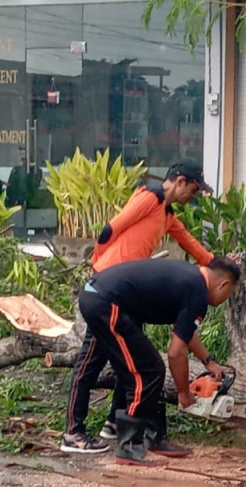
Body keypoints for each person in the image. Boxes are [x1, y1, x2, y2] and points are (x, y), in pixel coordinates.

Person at [61, 159, 216, 455]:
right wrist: (100, 264)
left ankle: (114, 422)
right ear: (180, 181)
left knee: (129, 361)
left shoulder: (166, 213)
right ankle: (73, 433)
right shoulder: (150, 197)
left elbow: (190, 243)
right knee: (90, 362)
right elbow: (111, 228)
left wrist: (218, 265)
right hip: (109, 290)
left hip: (130, 294)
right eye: (193, 191)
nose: (192, 198)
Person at [78, 255, 240, 465]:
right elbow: (175, 353)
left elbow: (186, 331)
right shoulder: (197, 292)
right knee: (148, 371)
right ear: (224, 284)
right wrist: (184, 393)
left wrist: (208, 361)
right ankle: (129, 446)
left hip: (99, 297)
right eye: (230, 292)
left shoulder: (191, 279)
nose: (227, 296)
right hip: (106, 303)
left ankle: (154, 437)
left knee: (147, 368)